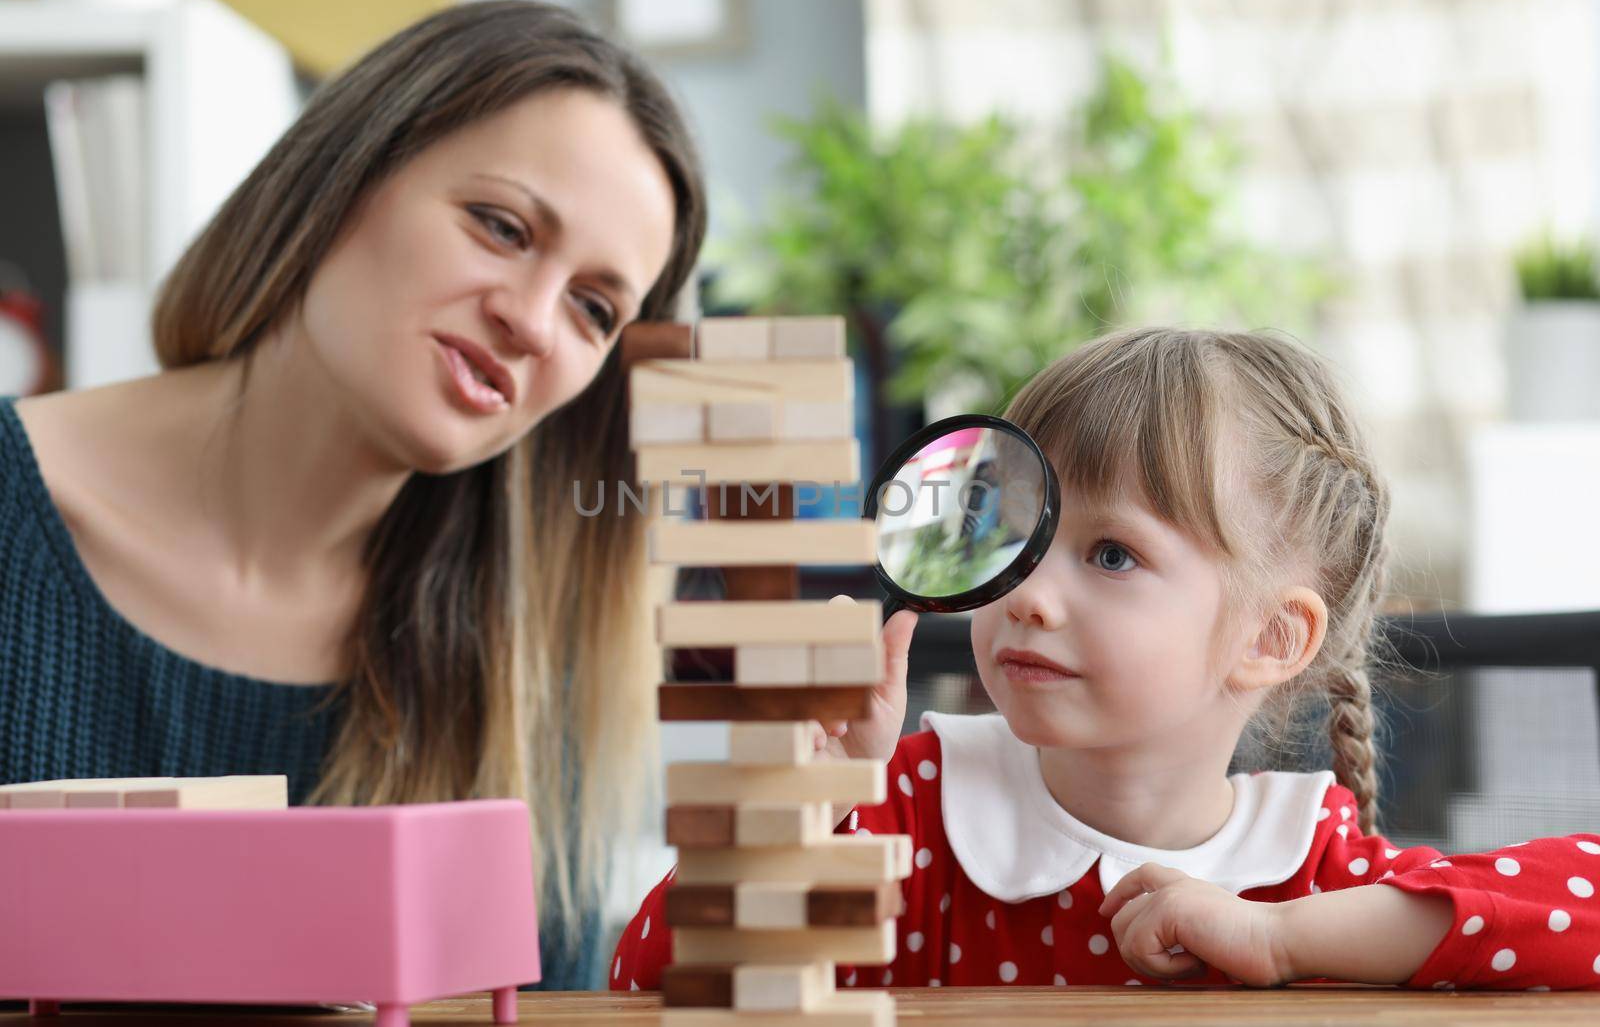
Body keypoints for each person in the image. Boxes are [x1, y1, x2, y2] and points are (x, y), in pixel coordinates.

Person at [0, 0, 706, 990]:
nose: (533, 321)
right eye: (500, 227)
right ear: (345, 177)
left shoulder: (525, 667)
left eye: (595, 307)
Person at [611, 326, 1600, 991]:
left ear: (1269, 638)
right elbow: (648, 977)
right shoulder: (899, 811)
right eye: (1020, 533)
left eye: (1112, 554)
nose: (1028, 592)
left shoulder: (1309, 871)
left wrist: (1280, 937)